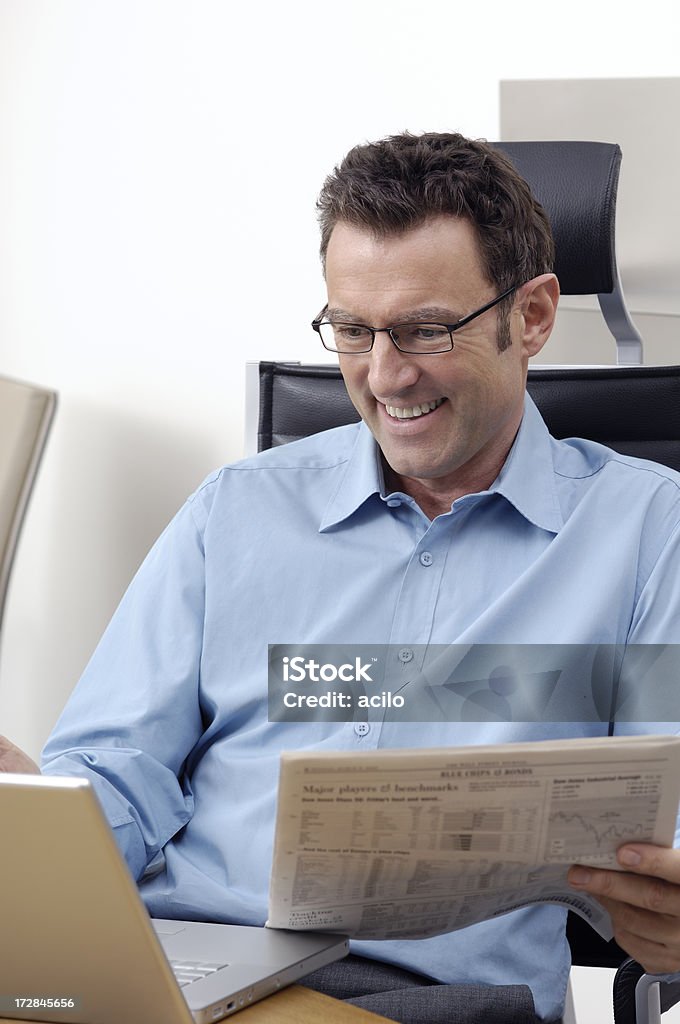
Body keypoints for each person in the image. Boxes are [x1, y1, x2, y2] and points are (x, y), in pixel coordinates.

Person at [3, 131, 680, 1024]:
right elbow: (118, 765)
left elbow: (663, 807)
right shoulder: (235, 510)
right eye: (352, 332)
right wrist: (46, 826)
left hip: (429, 997)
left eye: (425, 330)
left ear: (534, 317)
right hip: (175, 963)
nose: (384, 376)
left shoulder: (645, 529)